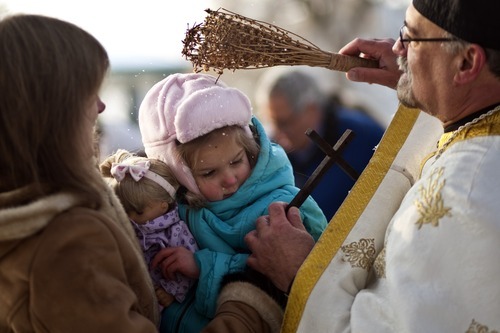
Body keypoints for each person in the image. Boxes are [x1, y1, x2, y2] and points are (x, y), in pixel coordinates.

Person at [205, 0, 500, 332]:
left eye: (412, 38)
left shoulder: (465, 193)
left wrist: (303, 272)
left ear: (466, 62)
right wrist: (422, 73)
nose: (396, 48)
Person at [0, 14, 159, 332]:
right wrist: (246, 298)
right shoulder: (65, 242)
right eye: (88, 91)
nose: (101, 107)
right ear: (53, 109)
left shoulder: (23, 211)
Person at [138, 72, 328, 332]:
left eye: (237, 161)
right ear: (180, 177)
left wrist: (203, 266)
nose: (229, 179)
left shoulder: (281, 208)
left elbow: (292, 273)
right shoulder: (176, 208)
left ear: (250, 149)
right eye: (209, 173)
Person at [256, 69, 385, 220]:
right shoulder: (270, 152)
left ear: (311, 109)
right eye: (272, 123)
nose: (277, 133)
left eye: (284, 123)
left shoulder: (363, 138)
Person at [100, 149, 199, 310]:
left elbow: (187, 270)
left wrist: (171, 292)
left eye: (138, 212)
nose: (130, 216)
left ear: (163, 205)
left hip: (156, 297)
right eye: (125, 209)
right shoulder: (130, 225)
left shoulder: (176, 232)